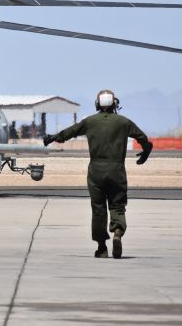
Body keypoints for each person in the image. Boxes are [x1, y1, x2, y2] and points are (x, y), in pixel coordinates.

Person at [42, 89, 153, 259]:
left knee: (98, 209)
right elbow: (143, 139)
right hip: (117, 171)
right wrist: (145, 153)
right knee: (117, 206)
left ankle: (102, 247)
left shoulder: (90, 122)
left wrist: (52, 138)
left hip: (96, 172)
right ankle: (117, 232)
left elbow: (70, 132)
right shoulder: (124, 122)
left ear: (97, 104)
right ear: (115, 104)